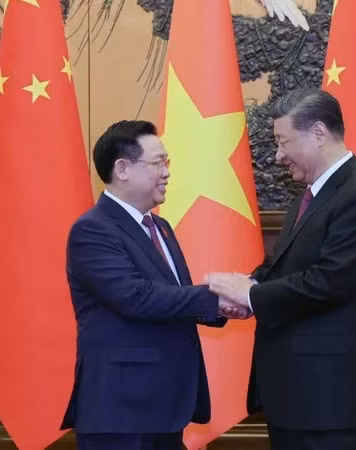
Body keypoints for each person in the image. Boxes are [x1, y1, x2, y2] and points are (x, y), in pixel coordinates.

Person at [209, 88, 356, 450]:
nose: (278, 155)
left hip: (330, 400)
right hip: (300, 397)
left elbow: (329, 282)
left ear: (319, 133)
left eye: (283, 142)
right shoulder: (310, 197)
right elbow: (282, 266)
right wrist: (246, 287)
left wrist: (251, 295)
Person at [60, 120, 245, 450]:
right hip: (120, 410)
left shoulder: (161, 227)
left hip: (165, 406)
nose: (167, 172)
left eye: (166, 162)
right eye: (158, 163)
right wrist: (220, 298)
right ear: (123, 169)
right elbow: (137, 297)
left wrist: (227, 304)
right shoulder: (93, 229)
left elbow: (173, 298)